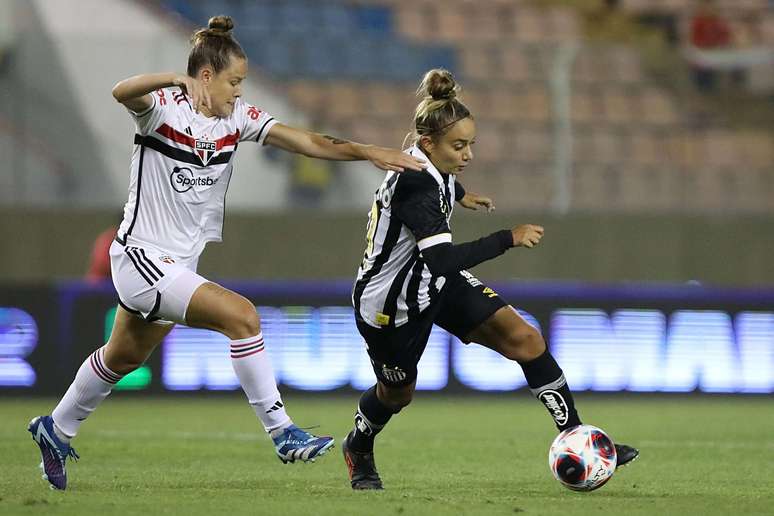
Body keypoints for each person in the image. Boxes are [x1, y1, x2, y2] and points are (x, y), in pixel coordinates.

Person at [28, 15, 425, 491]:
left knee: (123, 357)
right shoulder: (162, 109)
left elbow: (306, 141)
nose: (240, 92)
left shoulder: (238, 118)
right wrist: (178, 79)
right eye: (234, 81)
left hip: (177, 264)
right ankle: (282, 432)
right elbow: (121, 90)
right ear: (207, 77)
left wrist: (366, 151)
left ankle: (56, 427)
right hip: (139, 257)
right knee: (243, 317)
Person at [341, 69, 639, 490]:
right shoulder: (414, 185)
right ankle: (358, 446)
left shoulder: (429, 163)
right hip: (393, 306)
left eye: (470, 145)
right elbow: (443, 259)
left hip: (435, 284)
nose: (467, 155)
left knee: (527, 341)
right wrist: (508, 238)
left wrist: (463, 195)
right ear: (428, 145)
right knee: (397, 395)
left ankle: (576, 437)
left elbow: (443, 191)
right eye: (458, 146)